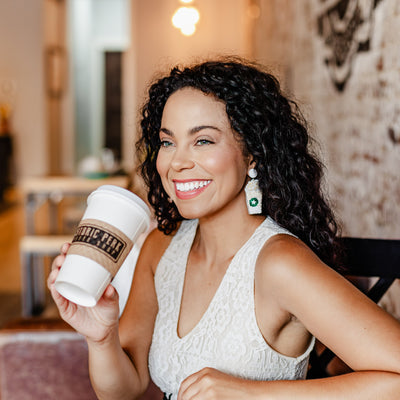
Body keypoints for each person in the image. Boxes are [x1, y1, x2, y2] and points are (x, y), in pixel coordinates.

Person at [48, 58, 400, 400]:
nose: (178, 162)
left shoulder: (279, 263)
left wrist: (250, 393)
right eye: (168, 142)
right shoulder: (160, 248)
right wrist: (100, 337)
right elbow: (126, 391)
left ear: (252, 155)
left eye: (203, 140)